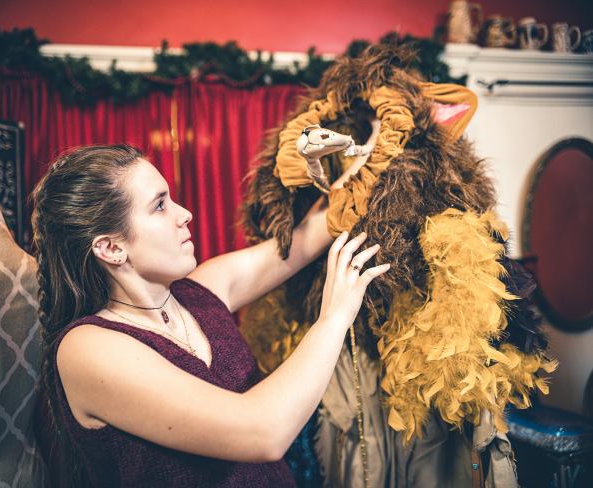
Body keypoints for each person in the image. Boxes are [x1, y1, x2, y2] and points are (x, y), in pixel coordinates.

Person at [30, 144, 390, 487]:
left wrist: (377, 140)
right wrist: (335, 317)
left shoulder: (201, 291)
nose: (184, 214)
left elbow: (310, 235)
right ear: (111, 248)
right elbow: (263, 432)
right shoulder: (88, 349)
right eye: (159, 206)